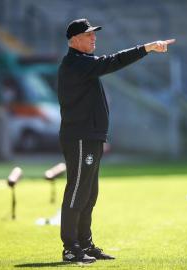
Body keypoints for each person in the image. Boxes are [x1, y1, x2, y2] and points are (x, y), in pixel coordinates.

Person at [58, 18, 175, 263]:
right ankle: (71, 248)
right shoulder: (75, 63)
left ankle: (85, 244)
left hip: (91, 137)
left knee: (89, 194)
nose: (94, 37)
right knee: (78, 192)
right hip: (80, 137)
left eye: (93, 34)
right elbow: (113, 61)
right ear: (75, 40)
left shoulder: (83, 63)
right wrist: (147, 47)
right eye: (89, 34)